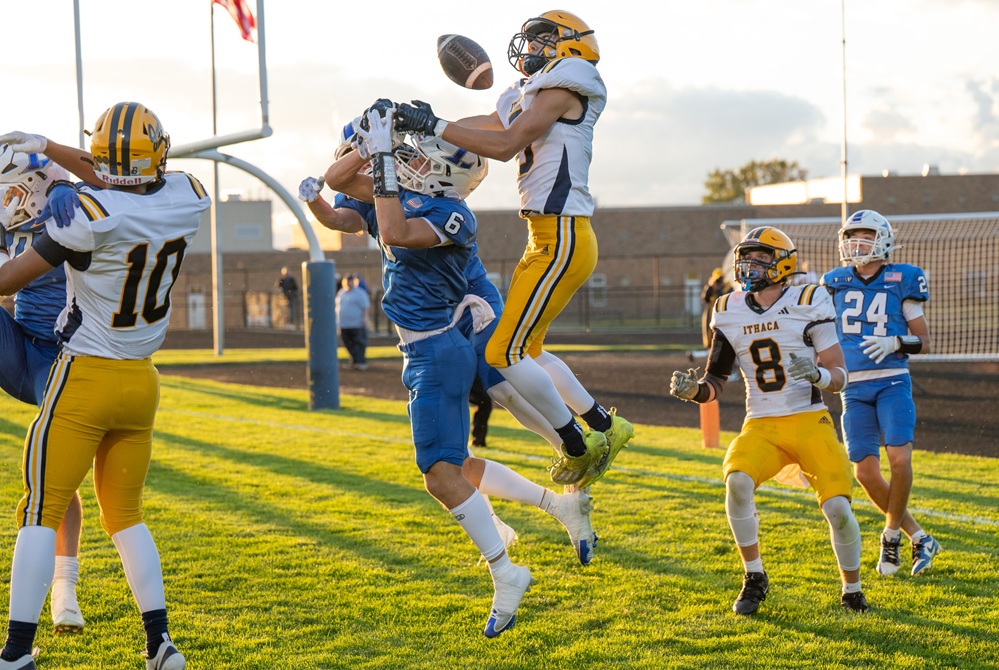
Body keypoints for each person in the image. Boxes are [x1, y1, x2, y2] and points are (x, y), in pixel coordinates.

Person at [299, 104, 595, 637]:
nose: (414, 160)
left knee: (441, 474)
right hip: (430, 348)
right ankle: (558, 506)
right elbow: (342, 197)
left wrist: (384, 157)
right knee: (459, 464)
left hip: (436, 350)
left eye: (420, 157)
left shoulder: (451, 215)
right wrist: (368, 143)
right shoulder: (411, 190)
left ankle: (507, 568)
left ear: (443, 172)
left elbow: (392, 228)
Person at [0, 101, 210, 670]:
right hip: (141, 383)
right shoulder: (188, 194)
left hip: (84, 375)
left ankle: (17, 650)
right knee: (126, 515)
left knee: (39, 510)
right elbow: (123, 180)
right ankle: (160, 644)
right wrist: (45, 147)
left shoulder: (85, 214)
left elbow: (7, 279)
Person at [390, 10, 633, 488]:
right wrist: (417, 127)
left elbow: (504, 145)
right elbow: (484, 124)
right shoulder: (531, 93)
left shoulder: (567, 85)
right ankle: (607, 425)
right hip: (547, 236)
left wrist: (434, 125)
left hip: (563, 235)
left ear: (571, 46)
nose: (533, 48)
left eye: (544, 40)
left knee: (503, 353)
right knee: (530, 348)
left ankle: (579, 446)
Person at [669, 226, 868, 614]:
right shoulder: (728, 309)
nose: (749, 264)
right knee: (737, 482)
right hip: (760, 422)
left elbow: (840, 375)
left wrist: (818, 376)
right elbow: (715, 380)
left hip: (810, 418)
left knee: (838, 509)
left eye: (760, 257)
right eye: (747, 257)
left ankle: (852, 588)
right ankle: (754, 576)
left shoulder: (810, 300)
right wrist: (695, 392)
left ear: (784, 262)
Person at [822, 209, 940, 577]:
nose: (857, 243)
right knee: (866, 474)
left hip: (892, 379)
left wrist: (895, 341)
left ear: (883, 240)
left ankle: (891, 537)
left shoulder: (903, 277)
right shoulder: (834, 281)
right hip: (853, 386)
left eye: (866, 236)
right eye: (852, 236)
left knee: (900, 460)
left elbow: (925, 342)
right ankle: (919, 536)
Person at [0, 146, 88, 636]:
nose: (5, 199)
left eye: (11, 188)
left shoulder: (70, 205)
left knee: (54, 475)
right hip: (21, 347)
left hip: (63, 356)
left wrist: (62, 185)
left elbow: (101, 183)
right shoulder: (11, 224)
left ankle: (64, 587)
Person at [335, 273, 370, 369]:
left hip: (357, 324)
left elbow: (365, 308)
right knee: (347, 343)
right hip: (343, 324)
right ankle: (354, 361)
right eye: (346, 281)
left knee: (359, 343)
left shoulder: (360, 293)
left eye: (349, 281)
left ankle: (361, 362)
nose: (348, 284)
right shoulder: (341, 293)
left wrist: (364, 319)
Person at [700, 268, 731, 348]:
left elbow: (724, 298)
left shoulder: (728, 287)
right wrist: (711, 287)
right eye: (717, 280)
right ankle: (710, 346)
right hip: (711, 313)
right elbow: (705, 299)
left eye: (720, 279)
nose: (719, 282)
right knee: (710, 332)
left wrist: (719, 290)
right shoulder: (712, 288)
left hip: (724, 314)